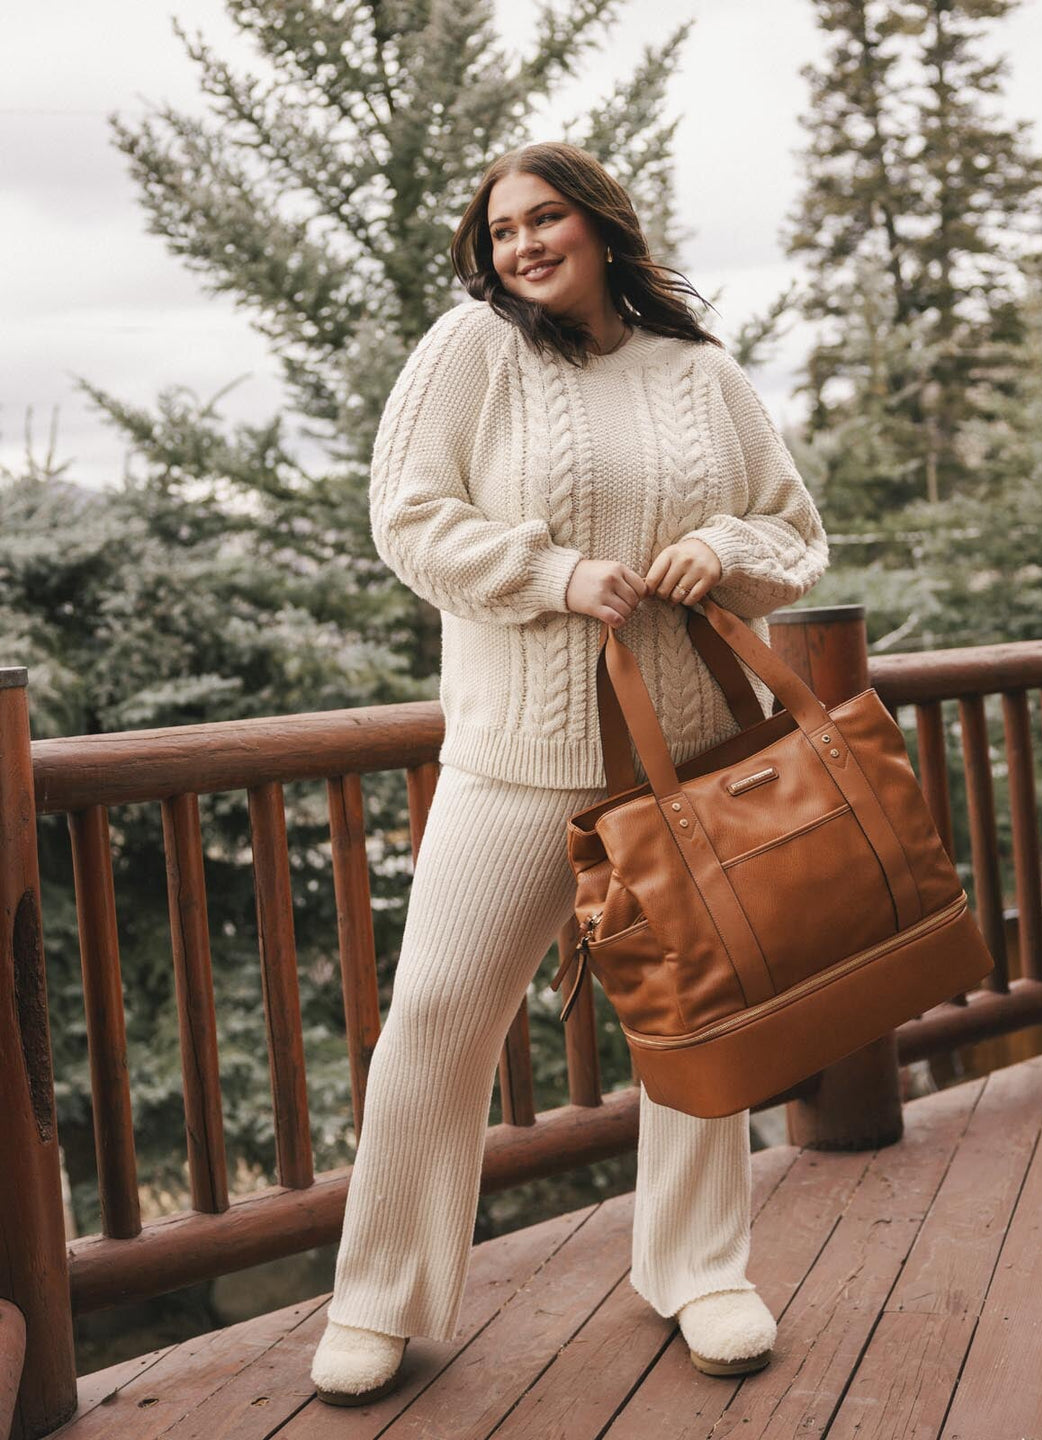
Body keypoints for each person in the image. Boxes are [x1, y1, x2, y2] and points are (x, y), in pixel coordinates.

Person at [310, 140, 829, 1406]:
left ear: (601, 227)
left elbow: (795, 534)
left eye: (548, 219)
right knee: (437, 1012)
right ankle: (379, 1294)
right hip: (517, 757)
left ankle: (700, 1268)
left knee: (700, 1011)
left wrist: (716, 543)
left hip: (693, 749)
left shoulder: (698, 373)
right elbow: (410, 517)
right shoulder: (472, 352)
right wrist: (554, 576)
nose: (524, 245)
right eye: (502, 230)